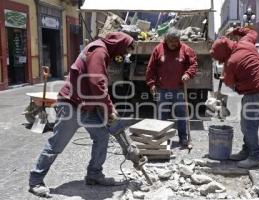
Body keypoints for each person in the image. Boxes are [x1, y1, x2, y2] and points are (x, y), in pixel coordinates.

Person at [29, 32, 135, 197]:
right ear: (120, 45)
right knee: (57, 144)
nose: (124, 55)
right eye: (125, 51)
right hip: (71, 104)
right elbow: (96, 83)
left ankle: (94, 174)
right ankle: (35, 181)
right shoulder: (100, 51)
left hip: (86, 106)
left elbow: (96, 86)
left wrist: (108, 108)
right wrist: (109, 109)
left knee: (101, 136)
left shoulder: (103, 51)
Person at [210, 27, 259, 168]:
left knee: (248, 127)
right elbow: (252, 32)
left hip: (256, 93)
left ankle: (256, 156)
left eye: (221, 59)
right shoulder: (246, 43)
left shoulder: (232, 62)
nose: (222, 62)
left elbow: (231, 84)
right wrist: (236, 30)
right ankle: (247, 151)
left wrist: (224, 77)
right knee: (249, 124)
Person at [146, 28, 198, 147]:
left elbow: (193, 63)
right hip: (162, 88)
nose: (174, 44)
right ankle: (162, 138)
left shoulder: (185, 49)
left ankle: (183, 138)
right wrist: (151, 83)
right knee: (162, 114)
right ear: (166, 40)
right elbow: (151, 68)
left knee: (181, 114)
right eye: (171, 41)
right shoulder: (158, 49)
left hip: (179, 88)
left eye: (176, 41)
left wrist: (188, 74)